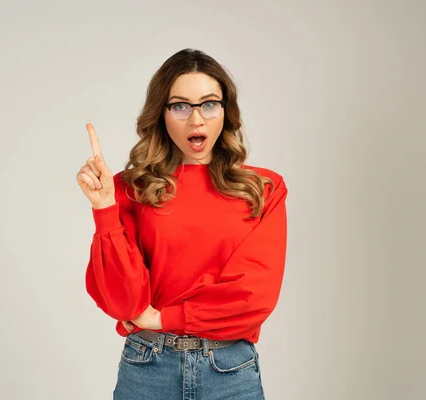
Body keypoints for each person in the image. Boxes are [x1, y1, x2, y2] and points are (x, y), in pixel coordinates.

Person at [76, 48, 288, 399]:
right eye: (179, 106)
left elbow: (253, 297)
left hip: (230, 371)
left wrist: (162, 318)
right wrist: (104, 209)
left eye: (208, 103)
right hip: (147, 369)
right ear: (161, 114)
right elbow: (123, 302)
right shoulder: (129, 189)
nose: (196, 120)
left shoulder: (264, 189)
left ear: (226, 110)